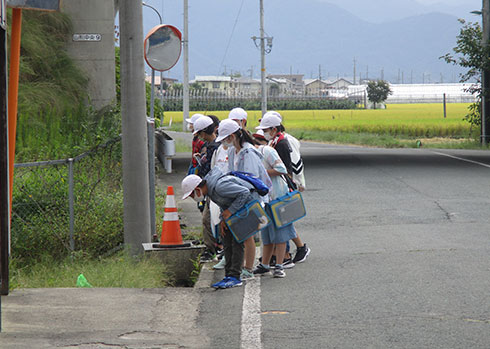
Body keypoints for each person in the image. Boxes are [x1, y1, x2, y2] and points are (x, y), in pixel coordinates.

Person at [181, 167, 260, 289]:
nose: (193, 198)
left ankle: (235, 276)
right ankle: (229, 274)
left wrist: (230, 211)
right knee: (226, 238)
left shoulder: (219, 187)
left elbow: (244, 193)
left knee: (237, 241)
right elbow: (225, 202)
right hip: (234, 211)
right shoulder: (210, 191)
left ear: (197, 189)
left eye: (192, 195)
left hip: (245, 207)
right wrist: (224, 219)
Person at [219, 119, 272, 280]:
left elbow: (250, 179)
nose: (223, 142)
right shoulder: (231, 151)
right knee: (239, 232)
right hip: (238, 196)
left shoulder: (249, 153)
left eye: (225, 137)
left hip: (249, 196)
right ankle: (241, 266)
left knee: (247, 234)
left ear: (233, 135)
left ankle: (248, 268)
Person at [256, 112, 311, 265]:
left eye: (266, 129)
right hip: (279, 187)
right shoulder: (275, 141)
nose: (264, 133)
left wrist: (293, 186)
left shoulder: (282, 143)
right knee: (283, 221)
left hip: (283, 188)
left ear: (274, 129)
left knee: (283, 222)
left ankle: (285, 256)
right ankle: (291, 251)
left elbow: (288, 168)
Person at [252, 130, 296, 278]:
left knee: (281, 233)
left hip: (278, 197)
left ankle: (279, 265)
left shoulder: (268, 151)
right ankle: (264, 265)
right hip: (264, 199)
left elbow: (281, 169)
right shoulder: (248, 155)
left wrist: (262, 172)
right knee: (266, 233)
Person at [192, 115, 221, 261]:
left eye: (200, 134)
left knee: (210, 219)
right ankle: (214, 248)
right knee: (209, 219)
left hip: (213, 188)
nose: (200, 137)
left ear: (204, 132)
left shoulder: (214, 147)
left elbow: (211, 169)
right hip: (211, 188)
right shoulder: (213, 146)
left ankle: (213, 249)